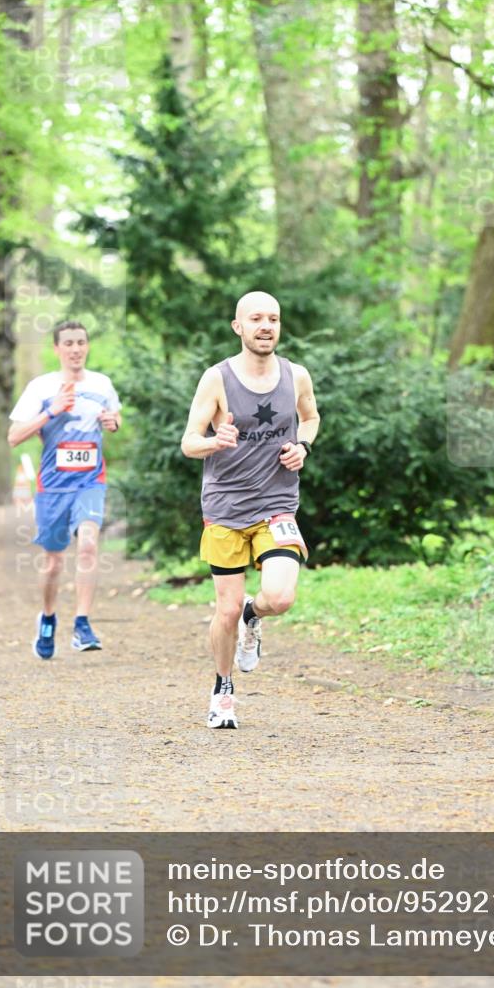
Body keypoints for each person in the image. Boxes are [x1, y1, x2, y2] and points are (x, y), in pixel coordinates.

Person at [181, 291, 320, 729]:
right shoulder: (217, 378)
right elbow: (189, 442)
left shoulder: (296, 375)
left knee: (279, 597)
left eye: (273, 319)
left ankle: (252, 616)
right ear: (238, 327)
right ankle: (222, 690)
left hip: (276, 504)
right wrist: (214, 442)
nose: (266, 326)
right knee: (223, 610)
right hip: (225, 506)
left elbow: (311, 418)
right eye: (256, 318)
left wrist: (302, 445)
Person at [8, 320, 121, 658]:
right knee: (53, 561)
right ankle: (47, 618)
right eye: (68, 343)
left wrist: (113, 423)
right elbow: (14, 437)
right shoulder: (40, 387)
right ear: (57, 349)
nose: (75, 349)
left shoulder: (102, 384)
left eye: (81, 342)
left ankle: (82, 623)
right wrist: (50, 411)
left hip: (90, 481)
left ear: (87, 346)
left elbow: (115, 418)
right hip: (53, 486)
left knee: (88, 545)